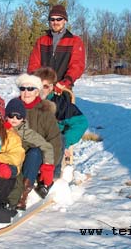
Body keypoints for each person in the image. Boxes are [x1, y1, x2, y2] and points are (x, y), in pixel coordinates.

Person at [14, 73, 63, 201]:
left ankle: (24, 192)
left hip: (38, 156)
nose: (26, 92)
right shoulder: (13, 108)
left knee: (35, 152)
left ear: (37, 92)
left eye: (31, 89)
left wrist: (49, 165)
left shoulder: (45, 112)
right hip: (15, 152)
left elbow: (55, 140)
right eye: (23, 89)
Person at [5, 97, 55, 210]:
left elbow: (47, 147)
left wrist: (47, 167)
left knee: (35, 153)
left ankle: (23, 195)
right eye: (11, 115)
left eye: (18, 116)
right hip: (7, 161)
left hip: (25, 164)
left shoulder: (27, 133)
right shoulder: (1, 130)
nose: (14, 119)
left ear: (23, 118)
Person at [34, 67, 88, 166]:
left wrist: (65, 142)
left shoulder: (60, 105)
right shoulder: (27, 100)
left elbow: (81, 122)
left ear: (50, 88)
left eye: (44, 87)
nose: (40, 90)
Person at [27, 4, 85, 93]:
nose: (55, 22)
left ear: (65, 20)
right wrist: (37, 81)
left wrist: (66, 81)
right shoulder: (41, 41)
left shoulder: (75, 41)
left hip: (63, 89)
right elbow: (33, 64)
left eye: (59, 19)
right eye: (52, 19)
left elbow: (77, 65)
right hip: (42, 90)